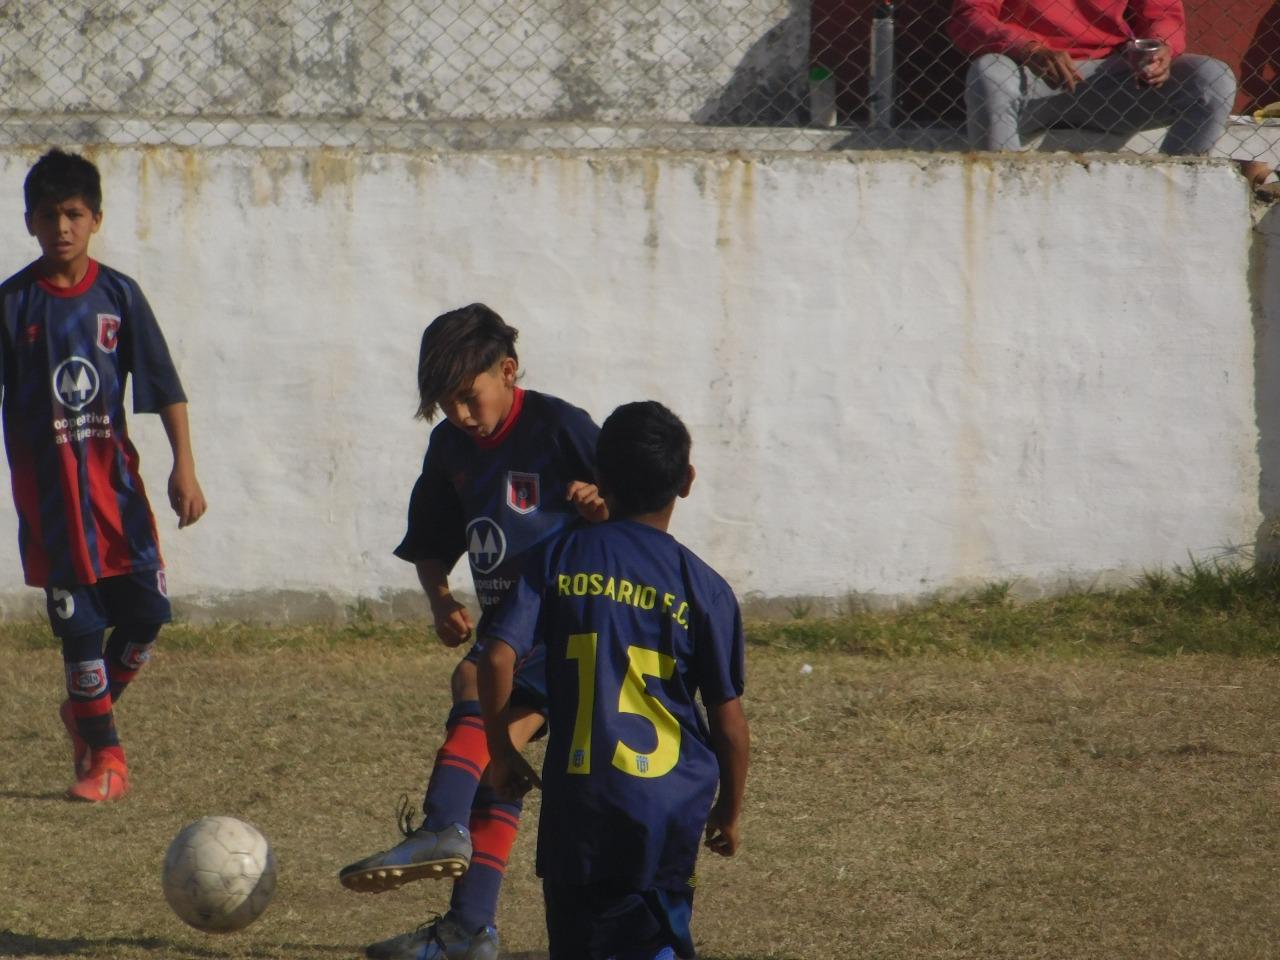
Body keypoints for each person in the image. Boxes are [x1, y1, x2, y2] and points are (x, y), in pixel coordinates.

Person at [338, 303, 606, 960]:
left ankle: (440, 827)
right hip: (509, 627)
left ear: (507, 371)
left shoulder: (558, 427)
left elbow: (631, 504)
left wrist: (602, 504)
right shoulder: (451, 449)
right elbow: (430, 538)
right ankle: (469, 928)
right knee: (496, 768)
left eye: (468, 396)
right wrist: (438, 598)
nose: (460, 413)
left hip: (571, 625)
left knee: (473, 680)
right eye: (445, 403)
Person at [478, 400, 750, 960]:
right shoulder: (705, 588)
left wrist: (502, 755)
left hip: (578, 816)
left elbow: (497, 660)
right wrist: (728, 809)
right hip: (664, 816)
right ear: (688, 482)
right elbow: (728, 723)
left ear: (598, 478)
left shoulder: (556, 557)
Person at [0, 148, 207, 803]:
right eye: (48, 215)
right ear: (30, 222)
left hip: (119, 499)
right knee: (81, 633)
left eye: (74, 213)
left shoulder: (119, 297)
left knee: (146, 619)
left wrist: (185, 467)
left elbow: (164, 386)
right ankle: (104, 759)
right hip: (52, 506)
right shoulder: (13, 305)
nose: (61, 226)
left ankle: (86, 713)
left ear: (95, 219)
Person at [948, 0, 1237, 156]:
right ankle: (1002, 191)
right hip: (1029, 78)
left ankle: (1177, 191)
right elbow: (969, 16)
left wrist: (1160, 46)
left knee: (1213, 78)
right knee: (989, 71)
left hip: (1111, 81)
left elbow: (1162, 13)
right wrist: (1026, 48)